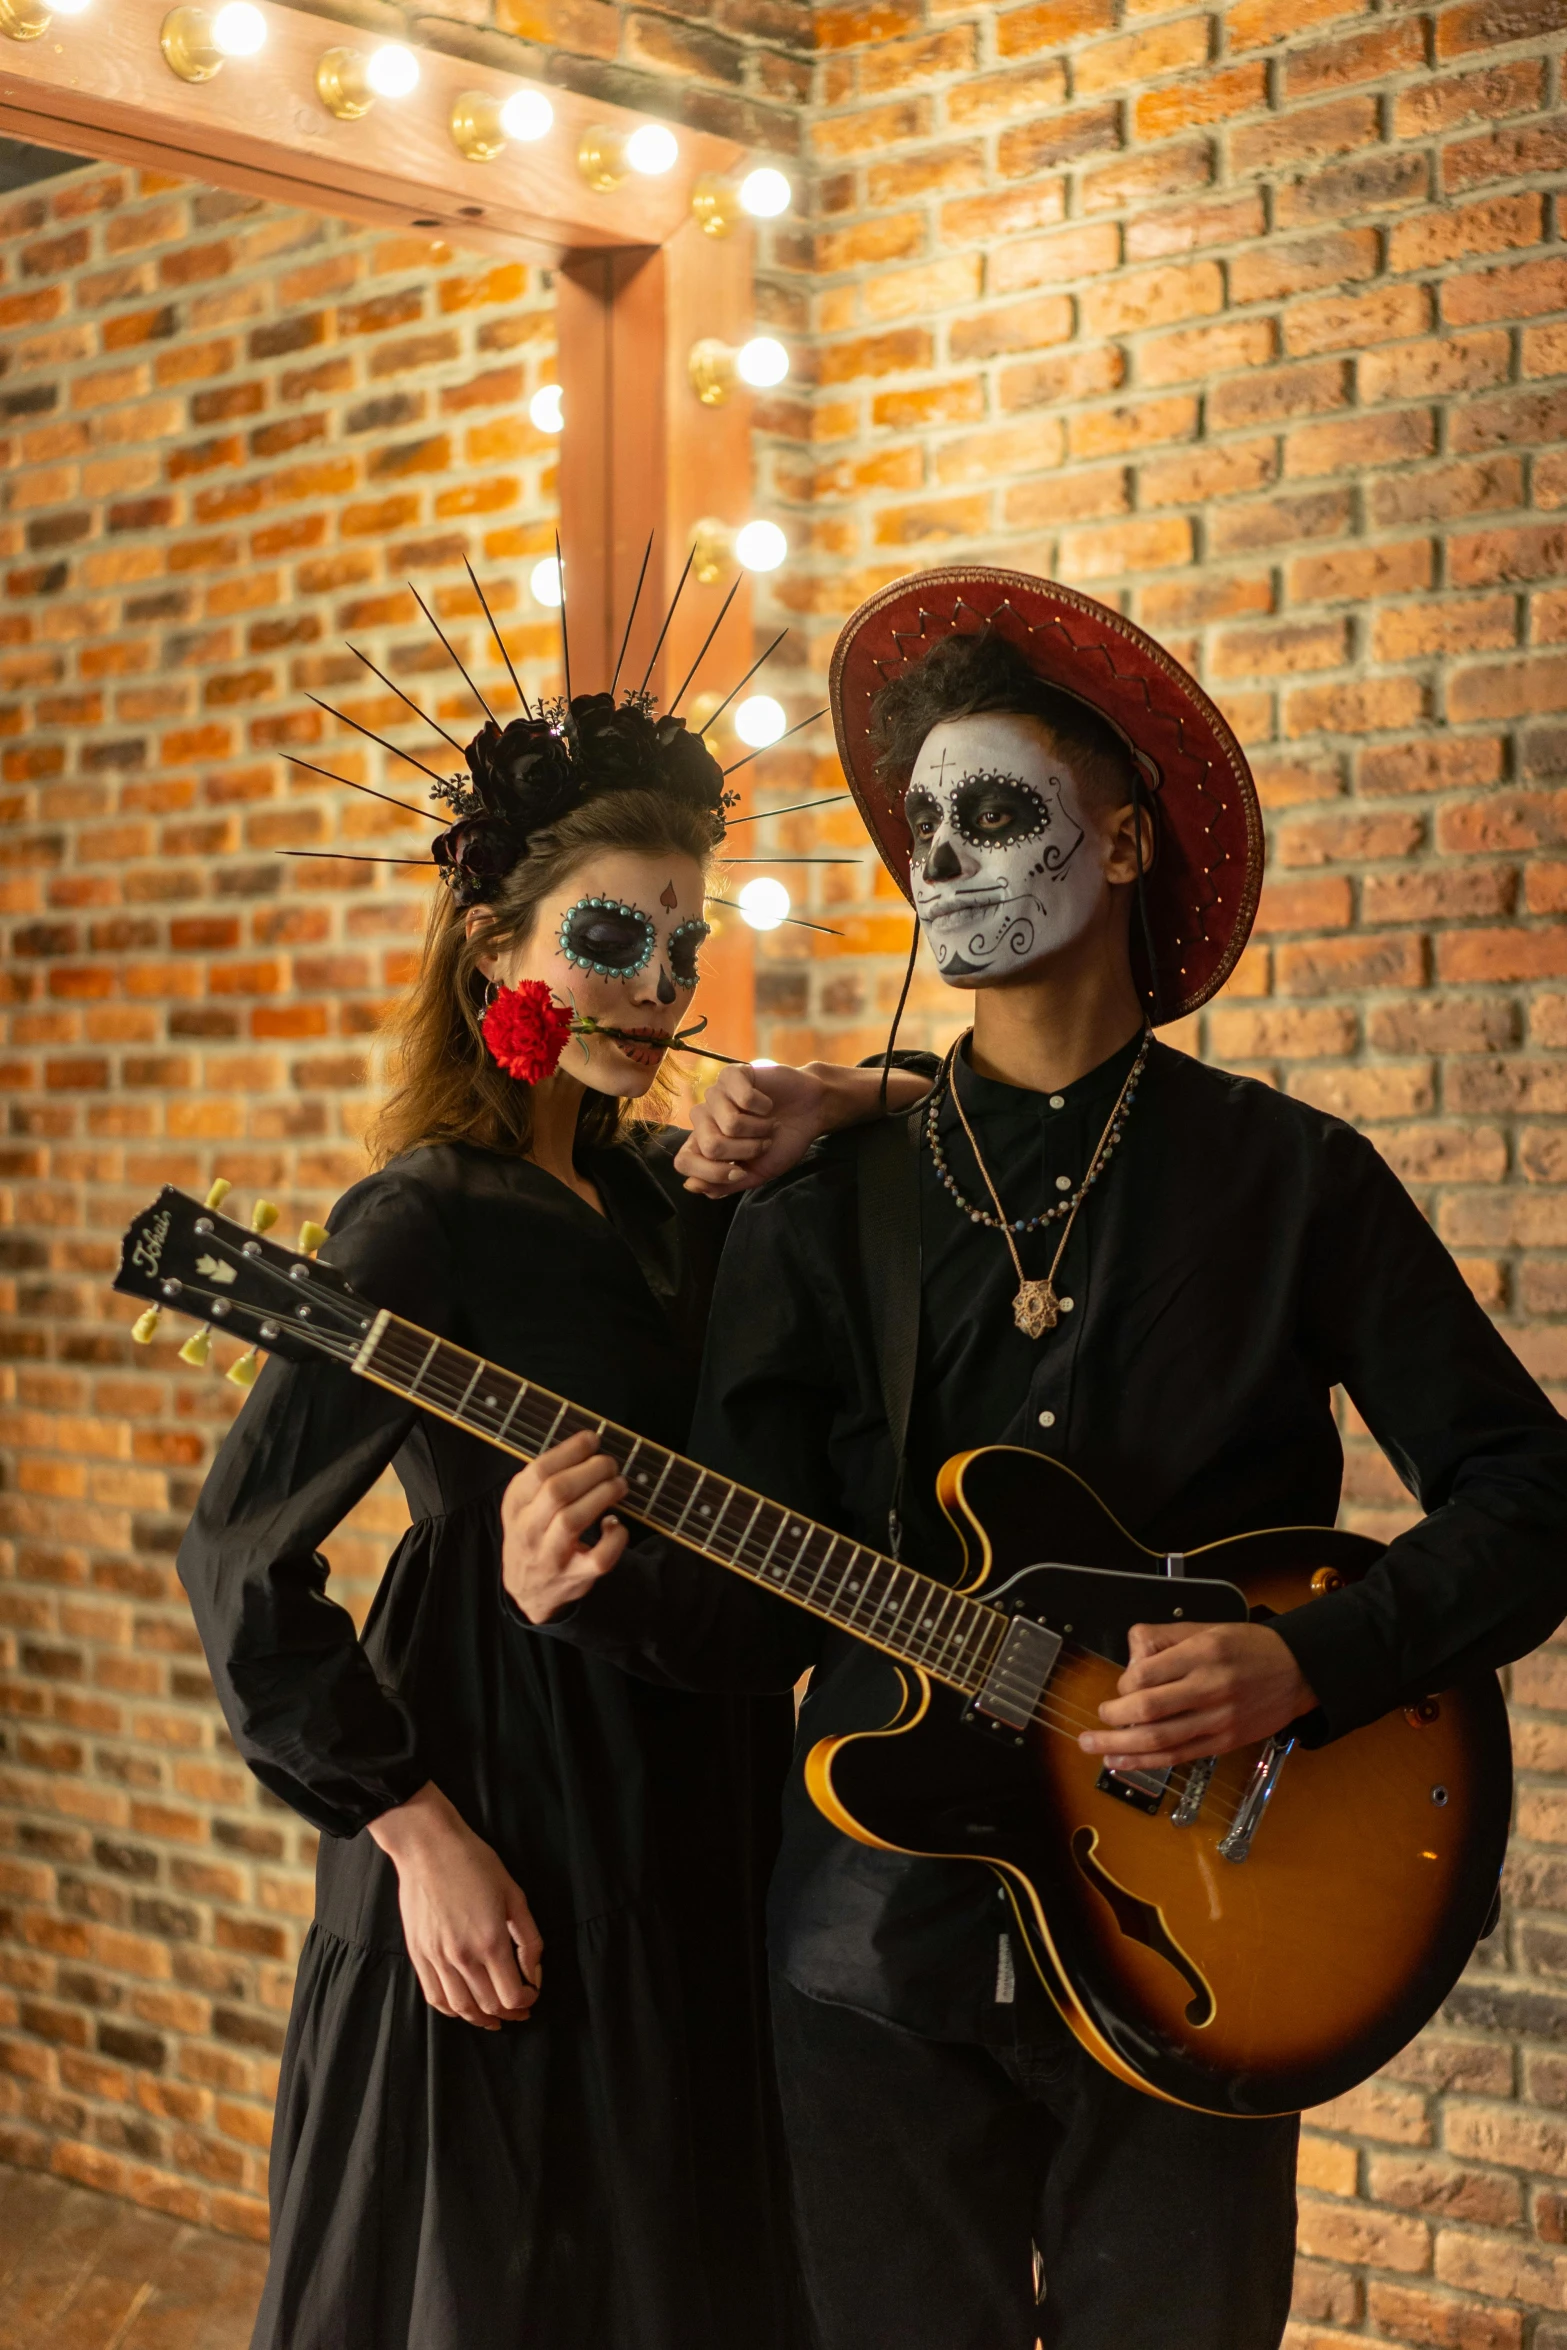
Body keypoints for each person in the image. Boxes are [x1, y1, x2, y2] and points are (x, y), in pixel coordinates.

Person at [501, 564, 1567, 2350]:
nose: (945, 860)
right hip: (870, 1953)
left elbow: (1533, 1497)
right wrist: (585, 1589)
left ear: (1128, 846)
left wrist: (1308, 1657)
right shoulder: (816, 1199)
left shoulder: (1288, 1182)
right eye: (920, 825)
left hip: (1203, 1950)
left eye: (999, 811)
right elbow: (755, 1615)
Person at [175, 652, 915, 2350]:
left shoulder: (681, 1198)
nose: (654, 985)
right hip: (498, 1773)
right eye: (607, 938)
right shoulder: (417, 1221)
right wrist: (416, 1839)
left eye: (680, 942)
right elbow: (241, 1562)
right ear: (494, 953)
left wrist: (843, 1095)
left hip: (694, 1778)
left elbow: (985, 1131)